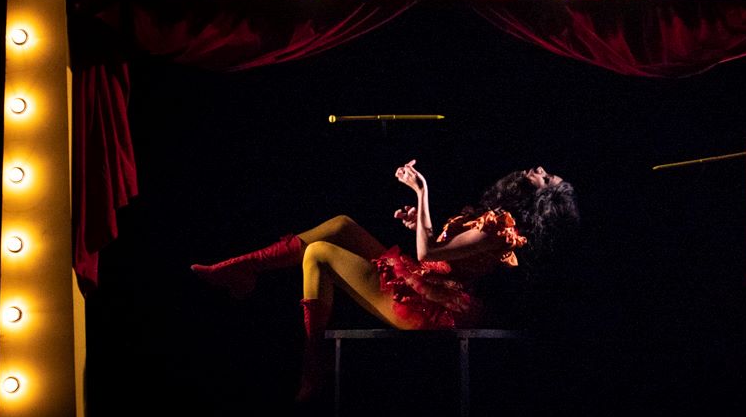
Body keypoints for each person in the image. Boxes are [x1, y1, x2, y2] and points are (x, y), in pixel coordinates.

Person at [190, 162, 578, 401]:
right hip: (430, 282)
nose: (539, 170)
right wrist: (417, 222)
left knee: (319, 254)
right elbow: (440, 250)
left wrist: (422, 191)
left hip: (433, 308)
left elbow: (427, 255)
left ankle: (314, 363)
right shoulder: (494, 218)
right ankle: (242, 267)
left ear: (539, 201)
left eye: (546, 178)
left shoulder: (502, 229)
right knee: (341, 224)